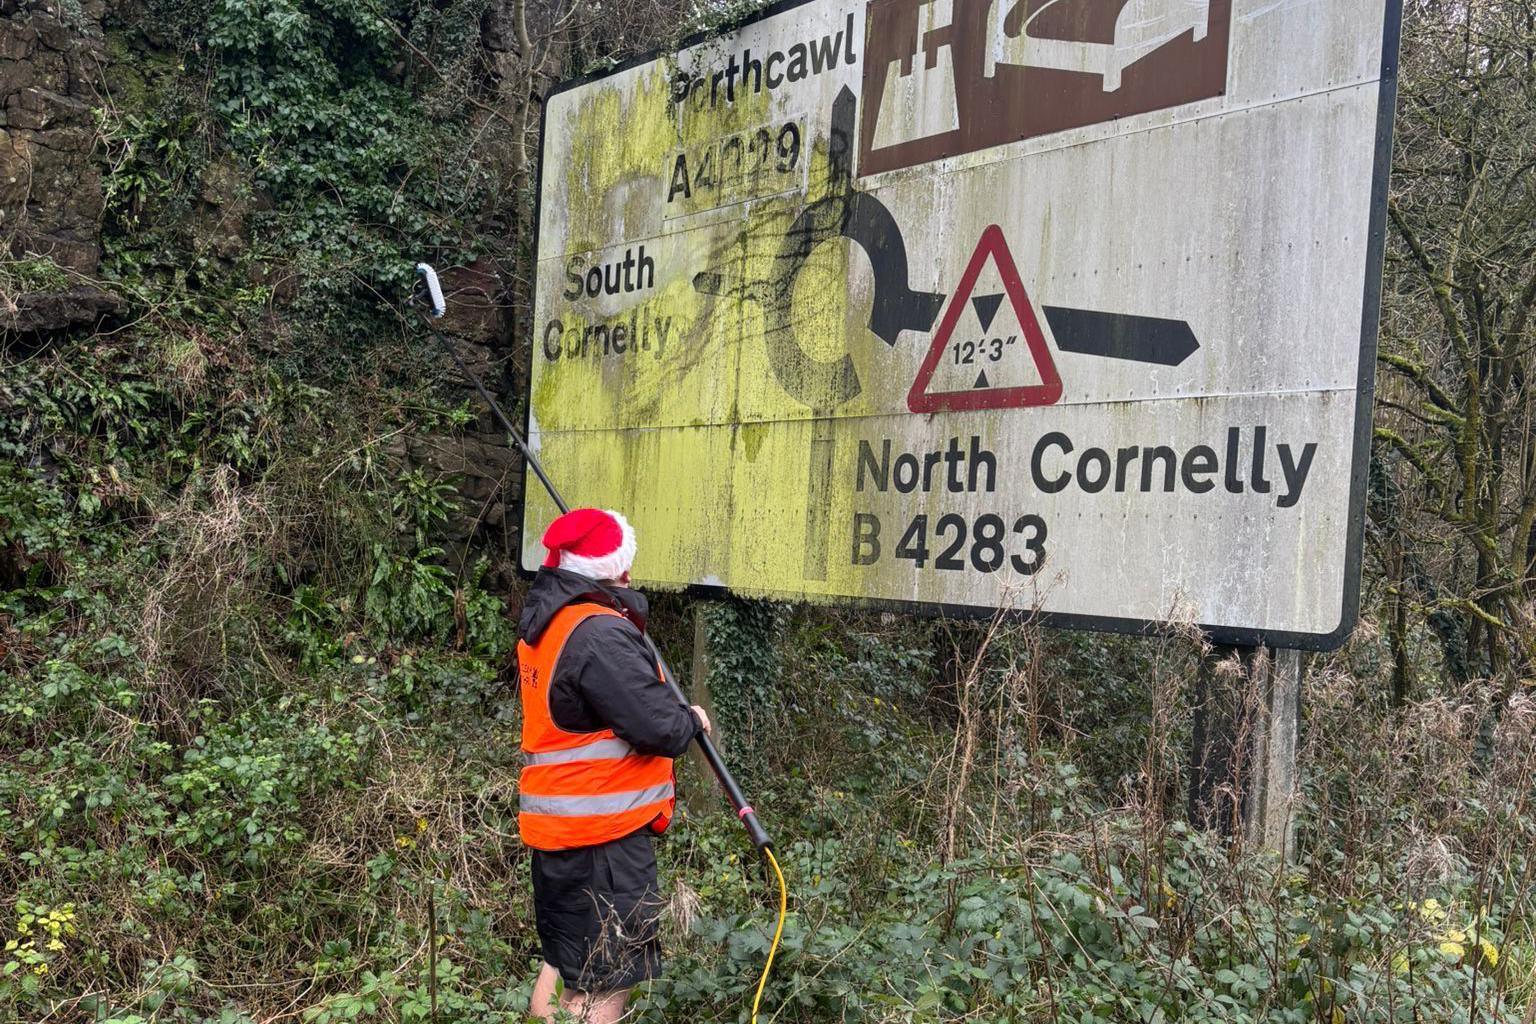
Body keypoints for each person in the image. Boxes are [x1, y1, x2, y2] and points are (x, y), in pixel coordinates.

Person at [517, 507, 711, 1023]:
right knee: (604, 984)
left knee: (563, 964)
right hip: (600, 841)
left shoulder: (550, 622)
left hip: (561, 838)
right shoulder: (599, 634)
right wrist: (689, 719)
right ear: (615, 568)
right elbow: (658, 727)